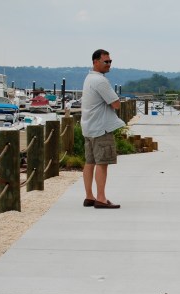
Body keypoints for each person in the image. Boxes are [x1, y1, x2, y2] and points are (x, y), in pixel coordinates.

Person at [80, 49, 125, 209]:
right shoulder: (100, 81)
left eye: (110, 61)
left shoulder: (88, 78)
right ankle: (101, 198)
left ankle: (89, 196)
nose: (109, 64)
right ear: (95, 62)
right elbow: (116, 104)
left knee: (89, 162)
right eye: (106, 61)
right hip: (101, 128)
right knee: (102, 163)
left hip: (88, 127)